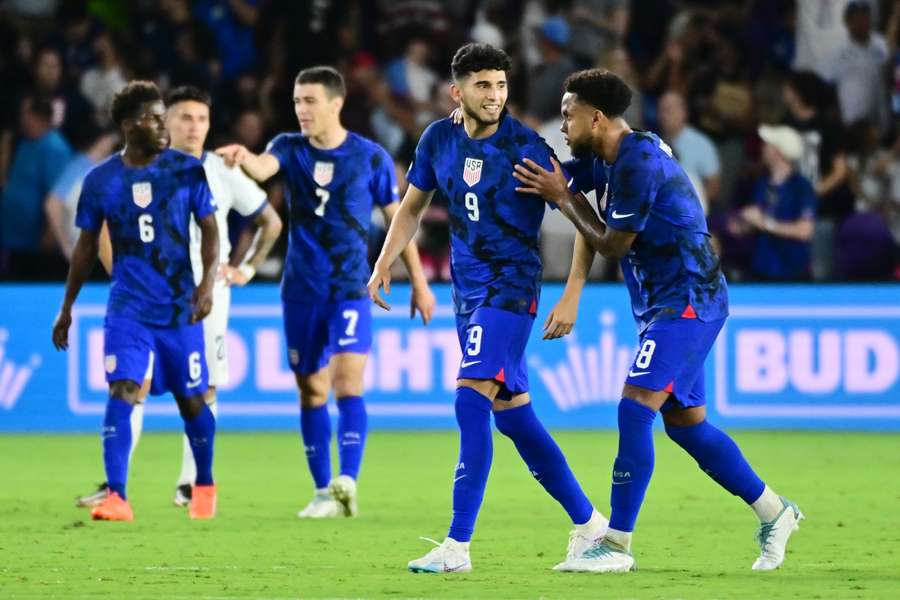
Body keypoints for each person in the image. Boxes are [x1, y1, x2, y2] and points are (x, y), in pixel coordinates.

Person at [512, 69, 803, 572]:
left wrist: (562, 198)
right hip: (663, 304)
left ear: (595, 117)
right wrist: (574, 289)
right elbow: (577, 202)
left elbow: (610, 240)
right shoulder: (604, 157)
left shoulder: (639, 161)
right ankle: (776, 513)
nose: (562, 125)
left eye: (567, 115)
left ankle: (617, 545)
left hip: (689, 299)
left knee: (634, 409)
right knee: (687, 427)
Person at [368, 43, 608, 574]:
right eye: (482, 85)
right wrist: (385, 263)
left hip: (511, 288)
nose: (494, 95)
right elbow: (411, 208)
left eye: (500, 85)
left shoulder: (526, 146)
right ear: (458, 91)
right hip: (466, 293)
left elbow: (582, 215)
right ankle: (592, 525)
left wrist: (571, 293)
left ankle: (456, 547)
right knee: (515, 419)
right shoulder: (438, 138)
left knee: (470, 400)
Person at [217, 66, 435, 519]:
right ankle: (322, 492)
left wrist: (418, 281)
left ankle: (347, 481)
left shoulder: (369, 157)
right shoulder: (288, 148)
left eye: (310, 101)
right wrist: (243, 156)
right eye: (297, 101)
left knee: (347, 383)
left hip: (350, 288)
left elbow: (401, 220)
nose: (301, 110)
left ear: (336, 103)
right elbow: (262, 167)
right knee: (311, 391)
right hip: (300, 290)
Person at [74, 85, 283, 509]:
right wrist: (121, 272)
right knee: (135, 383)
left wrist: (242, 270)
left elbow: (270, 222)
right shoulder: (128, 173)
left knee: (202, 389)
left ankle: (192, 483)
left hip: (204, 296)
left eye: (202, 119)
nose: (195, 127)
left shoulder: (220, 170)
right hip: (147, 295)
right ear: (166, 121)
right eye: (185, 118)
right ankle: (117, 485)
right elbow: (102, 233)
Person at [51, 80, 220, 521]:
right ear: (127, 125)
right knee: (123, 388)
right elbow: (86, 247)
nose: (162, 125)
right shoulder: (101, 180)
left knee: (192, 401)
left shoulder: (186, 171)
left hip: (179, 307)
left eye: (163, 116)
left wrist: (205, 288)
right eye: (151, 117)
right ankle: (118, 496)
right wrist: (67, 308)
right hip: (128, 306)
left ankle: (203, 483)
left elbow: (212, 230)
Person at [1, 95, 73, 279]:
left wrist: (49, 233)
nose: (21, 118)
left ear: (37, 116)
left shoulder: (55, 148)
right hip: (14, 238)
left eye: (25, 113)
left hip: (36, 242)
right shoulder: (25, 143)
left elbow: (59, 195)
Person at [731, 125, 816, 281]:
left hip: (792, 272)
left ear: (778, 151)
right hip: (761, 269)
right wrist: (744, 223)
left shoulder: (801, 186)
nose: (763, 148)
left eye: (767, 145)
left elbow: (805, 231)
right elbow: (755, 220)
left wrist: (765, 223)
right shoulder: (761, 184)